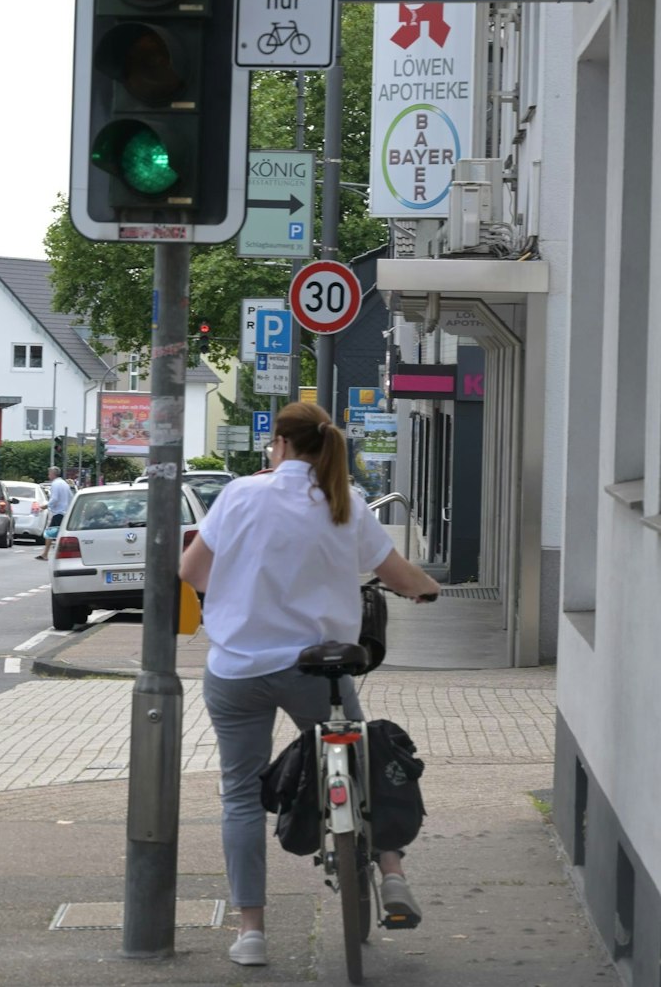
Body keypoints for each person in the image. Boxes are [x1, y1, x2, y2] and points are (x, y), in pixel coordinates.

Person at [178, 401, 440, 968]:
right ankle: (391, 872)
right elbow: (398, 574)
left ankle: (251, 933)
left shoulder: (240, 495)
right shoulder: (347, 502)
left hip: (237, 671)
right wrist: (428, 589)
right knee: (364, 758)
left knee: (242, 796)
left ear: (280, 444)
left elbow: (193, 571)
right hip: (318, 673)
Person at [33, 466, 74, 560]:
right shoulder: (64, 483)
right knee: (58, 533)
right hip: (65, 512)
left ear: (53, 474)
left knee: (50, 533)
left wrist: (44, 507)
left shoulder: (55, 484)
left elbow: (54, 499)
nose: (48, 475)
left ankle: (46, 554)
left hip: (59, 512)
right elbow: (70, 497)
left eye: (49, 473)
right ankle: (46, 553)